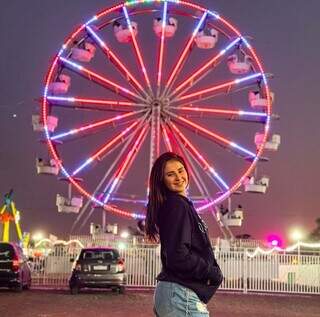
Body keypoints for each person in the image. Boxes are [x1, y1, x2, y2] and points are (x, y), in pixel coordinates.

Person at [145, 152, 223, 317]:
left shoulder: (177, 205)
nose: (179, 177)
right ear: (162, 180)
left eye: (181, 171)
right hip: (181, 295)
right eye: (170, 174)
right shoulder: (176, 206)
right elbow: (178, 256)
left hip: (176, 294)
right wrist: (210, 272)